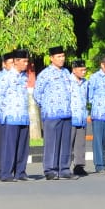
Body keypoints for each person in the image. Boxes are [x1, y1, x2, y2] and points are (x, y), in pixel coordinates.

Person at [34, 46, 75, 180]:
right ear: (51, 58)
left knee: (65, 142)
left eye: (63, 56)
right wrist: (47, 105)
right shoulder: (45, 74)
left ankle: (64, 168)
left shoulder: (66, 73)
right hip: (51, 114)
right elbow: (37, 94)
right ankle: (50, 169)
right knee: (52, 143)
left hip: (66, 113)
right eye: (58, 57)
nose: (62, 59)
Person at [0, 49, 32, 182]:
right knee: (9, 147)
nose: (26, 64)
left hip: (23, 115)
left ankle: (20, 172)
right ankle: (6, 173)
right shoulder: (6, 77)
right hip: (11, 116)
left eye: (27, 61)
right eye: (24, 61)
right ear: (16, 62)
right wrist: (6, 111)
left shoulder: (24, 77)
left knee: (23, 146)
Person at [69, 59, 89, 176]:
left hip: (81, 116)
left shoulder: (85, 82)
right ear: (74, 70)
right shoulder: (68, 81)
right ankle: (65, 165)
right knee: (69, 143)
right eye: (81, 70)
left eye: (85, 70)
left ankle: (79, 166)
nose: (84, 72)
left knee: (80, 143)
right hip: (71, 116)